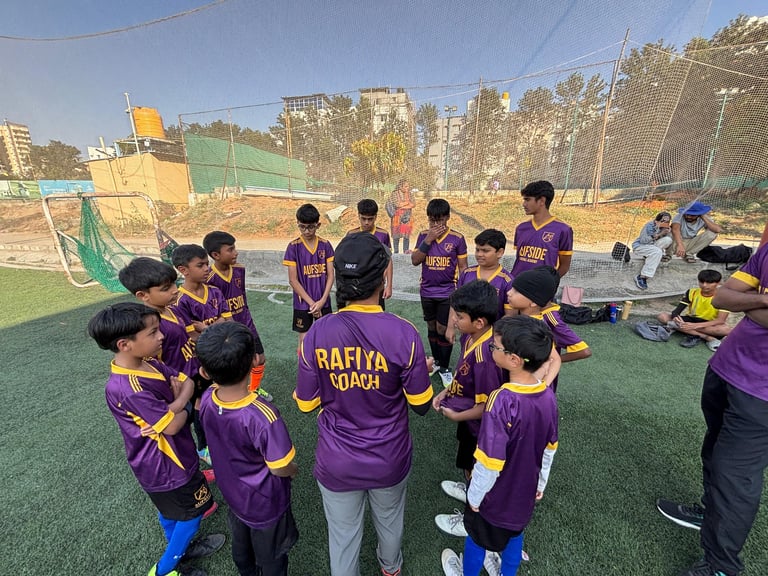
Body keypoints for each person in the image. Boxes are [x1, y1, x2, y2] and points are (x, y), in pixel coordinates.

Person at [294, 232, 434, 576]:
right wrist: (419, 369)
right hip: (389, 456)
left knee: (343, 537)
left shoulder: (316, 333)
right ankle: (391, 568)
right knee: (389, 520)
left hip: (337, 459)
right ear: (383, 275)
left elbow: (306, 405)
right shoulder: (404, 332)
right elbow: (421, 404)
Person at [87, 302, 224, 576]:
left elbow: (187, 381)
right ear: (125, 344)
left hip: (171, 458)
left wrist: (175, 404)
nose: (161, 336)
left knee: (171, 511)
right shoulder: (129, 388)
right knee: (193, 515)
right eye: (152, 333)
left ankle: (182, 549)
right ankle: (164, 569)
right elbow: (172, 425)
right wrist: (182, 405)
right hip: (166, 466)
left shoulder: (148, 362)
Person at [656, 244, 768, 576]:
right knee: (714, 449)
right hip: (726, 367)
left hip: (761, 393)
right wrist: (762, 300)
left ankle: (721, 567)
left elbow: (739, 303)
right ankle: (709, 511)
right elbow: (723, 297)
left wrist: (750, 302)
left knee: (734, 473)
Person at [440, 315, 559, 576]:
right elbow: (550, 448)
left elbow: (489, 461)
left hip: (495, 496)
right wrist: (540, 484)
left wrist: (474, 497)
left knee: (476, 538)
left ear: (514, 360)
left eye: (495, 346)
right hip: (525, 493)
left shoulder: (501, 399)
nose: (491, 349)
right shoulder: (548, 396)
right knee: (515, 535)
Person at [197, 323, 299, 576]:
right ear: (255, 360)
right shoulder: (263, 415)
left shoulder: (208, 397)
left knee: (242, 549)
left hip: (233, 494)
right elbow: (280, 467)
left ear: (204, 372)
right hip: (265, 503)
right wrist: (294, 470)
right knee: (272, 557)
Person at [433, 280, 505, 536]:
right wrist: (446, 391)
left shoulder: (486, 357)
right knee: (467, 464)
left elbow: (488, 405)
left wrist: (457, 416)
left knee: (478, 470)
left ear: (479, 322)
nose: (454, 320)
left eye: (459, 317)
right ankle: (469, 488)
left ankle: (472, 519)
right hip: (468, 419)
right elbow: (463, 374)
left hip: (479, 427)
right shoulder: (470, 336)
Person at [172, 243, 232, 464]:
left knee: (220, 396)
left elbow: (229, 321)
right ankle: (203, 446)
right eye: (200, 265)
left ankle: (221, 437)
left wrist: (206, 328)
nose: (207, 268)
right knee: (200, 401)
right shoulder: (180, 300)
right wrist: (217, 326)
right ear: (183, 270)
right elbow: (192, 337)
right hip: (197, 362)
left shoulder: (214, 291)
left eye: (207, 264)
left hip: (219, 355)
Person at [202, 230, 272, 402]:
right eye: (230, 250)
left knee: (259, 359)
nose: (236, 252)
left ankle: (254, 389)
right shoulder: (209, 278)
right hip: (227, 331)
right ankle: (230, 394)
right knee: (232, 365)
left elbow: (242, 296)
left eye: (235, 248)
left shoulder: (240, 269)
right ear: (216, 255)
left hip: (246, 323)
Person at [411, 198, 469, 386]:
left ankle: (445, 367)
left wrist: (462, 292)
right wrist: (428, 240)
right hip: (427, 291)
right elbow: (415, 260)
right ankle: (436, 362)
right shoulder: (423, 235)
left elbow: (463, 267)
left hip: (447, 292)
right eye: (432, 221)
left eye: (440, 220)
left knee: (443, 329)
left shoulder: (457, 238)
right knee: (431, 326)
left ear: (448, 217)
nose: (436, 225)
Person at [507, 265, 590, 393]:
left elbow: (584, 351)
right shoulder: (526, 316)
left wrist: (549, 362)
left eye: (518, 291)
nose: (509, 292)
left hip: (536, 384)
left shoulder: (548, 319)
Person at [447, 228, 513, 344]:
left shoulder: (507, 281)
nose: (479, 254)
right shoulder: (467, 274)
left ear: (499, 252)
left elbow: (510, 316)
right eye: (477, 250)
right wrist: (450, 327)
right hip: (467, 336)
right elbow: (455, 304)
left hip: (492, 339)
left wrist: (491, 334)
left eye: (485, 251)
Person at [283, 203, 335, 348]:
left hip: (323, 302)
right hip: (303, 303)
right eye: (302, 227)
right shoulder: (293, 247)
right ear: (298, 224)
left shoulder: (325, 245)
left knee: (325, 339)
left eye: (311, 227)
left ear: (318, 225)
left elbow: (331, 275)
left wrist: (322, 301)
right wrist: (312, 304)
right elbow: (293, 280)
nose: (306, 231)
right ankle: (303, 363)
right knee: (304, 341)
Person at [510, 180, 574, 278]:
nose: (524, 204)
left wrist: (550, 282)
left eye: (527, 200)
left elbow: (564, 266)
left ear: (542, 201)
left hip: (542, 285)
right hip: (517, 283)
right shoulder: (521, 228)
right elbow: (520, 261)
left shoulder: (563, 230)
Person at [657, 269, 732, 351]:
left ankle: (680, 329)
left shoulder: (724, 297)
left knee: (726, 330)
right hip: (691, 319)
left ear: (718, 283)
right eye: (701, 282)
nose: (704, 285)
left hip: (709, 324)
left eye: (709, 283)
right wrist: (676, 318)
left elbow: (720, 320)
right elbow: (676, 311)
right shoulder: (692, 292)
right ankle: (707, 337)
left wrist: (695, 326)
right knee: (662, 316)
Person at [346, 198, 394, 307]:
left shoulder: (383, 234)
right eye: (363, 219)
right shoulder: (351, 235)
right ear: (358, 215)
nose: (366, 222)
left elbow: (388, 260)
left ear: (375, 217)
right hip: (357, 285)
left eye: (370, 219)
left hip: (376, 286)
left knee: (376, 314)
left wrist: (389, 286)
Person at [632, 211, 674, 290]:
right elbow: (643, 241)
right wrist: (659, 234)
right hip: (640, 246)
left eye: (667, 222)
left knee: (668, 240)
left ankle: (651, 256)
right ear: (656, 221)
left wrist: (668, 233)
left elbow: (668, 242)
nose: (665, 223)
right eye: (663, 221)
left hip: (652, 247)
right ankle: (642, 276)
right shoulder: (649, 226)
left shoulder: (666, 228)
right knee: (657, 251)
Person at [389, 179, 415, 254]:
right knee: (396, 236)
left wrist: (402, 206)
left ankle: (405, 252)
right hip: (397, 217)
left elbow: (413, 204)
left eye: (408, 186)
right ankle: (396, 252)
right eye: (406, 186)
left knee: (406, 236)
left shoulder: (410, 194)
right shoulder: (394, 194)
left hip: (407, 217)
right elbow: (397, 204)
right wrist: (407, 203)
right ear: (400, 187)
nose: (408, 188)